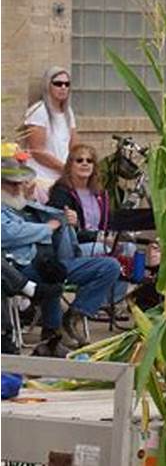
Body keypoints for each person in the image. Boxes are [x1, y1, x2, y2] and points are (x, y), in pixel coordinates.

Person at [1, 156, 120, 348]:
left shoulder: (24, 204)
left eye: (19, 184)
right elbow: (8, 234)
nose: (17, 189)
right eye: (12, 185)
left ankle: (74, 316)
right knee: (51, 274)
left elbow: (58, 221)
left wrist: (69, 221)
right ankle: (52, 332)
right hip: (22, 266)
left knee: (110, 266)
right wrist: (47, 228)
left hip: (56, 259)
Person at [22, 66, 77, 202]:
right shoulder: (38, 111)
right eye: (58, 83)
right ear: (48, 86)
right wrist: (65, 169)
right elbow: (37, 151)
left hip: (62, 178)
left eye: (67, 84)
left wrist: (75, 166)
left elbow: (74, 146)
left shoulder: (68, 112)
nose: (63, 87)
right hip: (43, 179)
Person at [47, 144, 111, 256]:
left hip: (100, 241)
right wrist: (98, 237)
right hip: (74, 245)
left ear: (94, 166)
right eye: (79, 160)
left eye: (89, 161)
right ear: (70, 166)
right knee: (102, 249)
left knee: (129, 247)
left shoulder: (101, 194)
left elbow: (107, 223)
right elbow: (62, 230)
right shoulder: (61, 192)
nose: (85, 163)